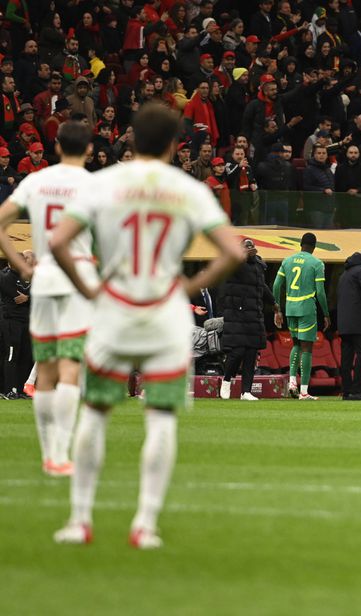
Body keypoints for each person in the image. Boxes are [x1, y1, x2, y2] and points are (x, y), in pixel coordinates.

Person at [49, 103, 243, 548]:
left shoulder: (103, 184)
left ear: (131, 138)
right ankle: (145, 525)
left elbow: (59, 241)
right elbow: (232, 252)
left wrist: (89, 287)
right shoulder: (188, 190)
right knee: (160, 420)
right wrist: (192, 283)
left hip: (114, 306)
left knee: (95, 413)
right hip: (164, 311)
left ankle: (80, 521)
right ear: (177, 145)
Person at [0, 121, 95, 477]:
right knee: (70, 368)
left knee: (46, 370)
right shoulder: (94, 186)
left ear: (56, 146)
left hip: (44, 281)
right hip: (77, 281)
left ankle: (48, 453)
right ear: (88, 149)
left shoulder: (36, 182)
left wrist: (19, 266)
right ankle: (61, 452)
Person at [219, 239, 278, 401]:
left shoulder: (259, 266)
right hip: (237, 314)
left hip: (254, 315)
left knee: (251, 353)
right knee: (237, 352)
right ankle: (226, 380)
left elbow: (262, 287)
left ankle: (246, 391)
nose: (250, 251)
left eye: (251, 249)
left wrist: (274, 303)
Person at [273, 232, 330, 400]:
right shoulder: (317, 263)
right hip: (306, 308)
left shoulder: (287, 261)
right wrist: (326, 313)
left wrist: (278, 308)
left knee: (296, 344)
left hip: (290, 307)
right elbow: (320, 291)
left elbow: (276, 285)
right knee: (307, 348)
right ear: (314, 246)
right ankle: (304, 391)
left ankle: (292, 382)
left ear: (301, 245)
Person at [337, 249, 361, 400]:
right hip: (359, 322)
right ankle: (358, 390)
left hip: (344, 323)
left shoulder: (345, 274)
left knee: (346, 358)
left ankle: (346, 390)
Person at [0, 251, 33, 399]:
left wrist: (28, 297)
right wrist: (28, 297)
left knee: (25, 356)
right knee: (12, 355)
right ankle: (9, 390)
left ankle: (21, 390)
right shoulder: (5, 277)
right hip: (11, 321)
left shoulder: (29, 278)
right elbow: (15, 295)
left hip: (26, 322)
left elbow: (35, 296)